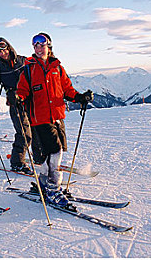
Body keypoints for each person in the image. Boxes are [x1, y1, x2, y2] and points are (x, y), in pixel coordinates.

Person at [10, 32, 93, 207]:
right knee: (55, 151)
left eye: (42, 45)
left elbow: (67, 89)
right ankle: (53, 189)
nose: (39, 48)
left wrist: (80, 97)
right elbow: (23, 90)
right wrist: (19, 97)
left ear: (49, 46)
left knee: (53, 152)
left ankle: (42, 183)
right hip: (39, 118)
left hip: (57, 115)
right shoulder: (28, 69)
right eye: (35, 46)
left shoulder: (57, 68)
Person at [0, 37, 39, 175]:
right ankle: (17, 162)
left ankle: (38, 156)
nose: (2, 52)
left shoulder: (24, 61)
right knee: (24, 133)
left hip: (31, 100)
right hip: (15, 103)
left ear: (9, 47)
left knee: (36, 129)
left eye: (3, 47)